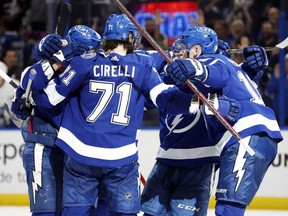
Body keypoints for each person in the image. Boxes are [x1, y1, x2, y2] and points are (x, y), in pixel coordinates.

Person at [18, 14, 204, 216]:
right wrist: (198, 102)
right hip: (120, 157)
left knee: (74, 211)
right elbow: (165, 99)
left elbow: (48, 98)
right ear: (131, 38)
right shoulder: (143, 66)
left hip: (80, 154)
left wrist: (30, 99)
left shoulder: (83, 62)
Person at [140, 34, 269, 216]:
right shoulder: (168, 72)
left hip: (201, 161)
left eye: (182, 48)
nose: (177, 52)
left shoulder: (213, 68)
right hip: (166, 159)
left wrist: (249, 69)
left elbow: (232, 80)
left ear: (197, 50)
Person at [11, 25, 102, 216]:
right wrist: (54, 60)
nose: (93, 55)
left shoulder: (92, 72)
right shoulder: (46, 67)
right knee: (46, 212)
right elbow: (27, 85)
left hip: (78, 152)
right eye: (89, 50)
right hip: (44, 147)